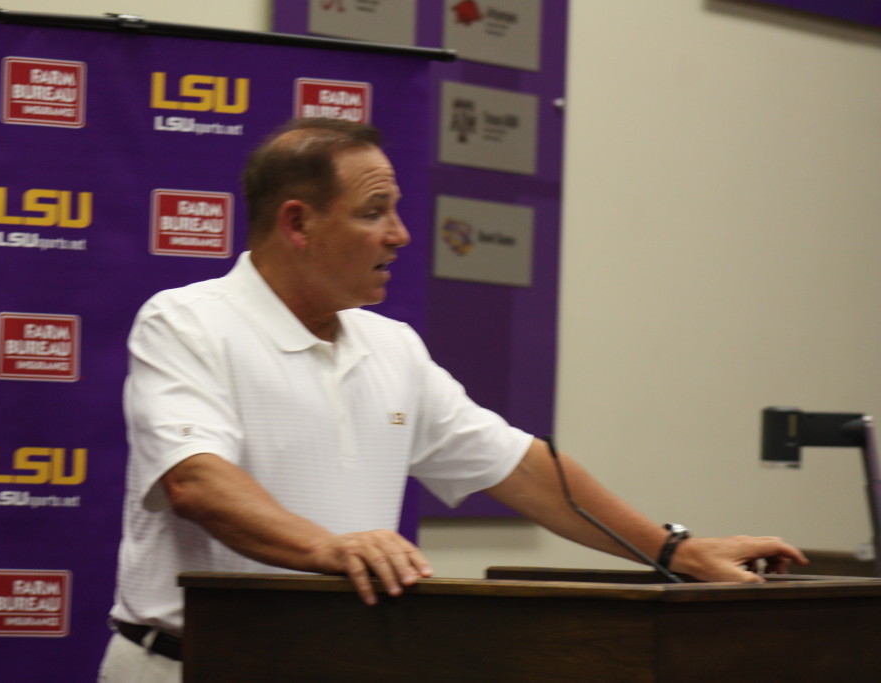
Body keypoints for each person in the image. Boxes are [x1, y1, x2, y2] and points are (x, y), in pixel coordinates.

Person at [98, 118, 806, 680]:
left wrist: (676, 551)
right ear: (297, 223)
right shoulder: (189, 321)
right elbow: (196, 480)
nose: (401, 235)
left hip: (340, 665)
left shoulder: (392, 346)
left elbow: (525, 469)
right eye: (376, 212)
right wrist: (331, 546)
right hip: (188, 667)